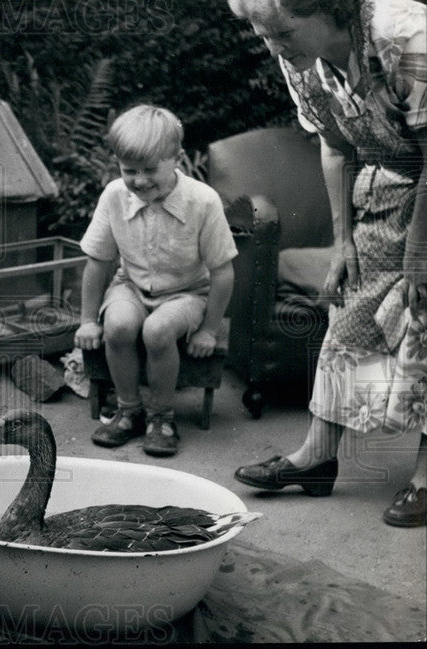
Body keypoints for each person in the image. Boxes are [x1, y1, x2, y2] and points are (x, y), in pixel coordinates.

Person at [228, 0, 427, 527]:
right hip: (391, 188)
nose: (272, 47)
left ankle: (426, 478)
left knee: (424, 316)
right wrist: (343, 243)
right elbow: (336, 146)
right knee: (353, 302)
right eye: (262, 35)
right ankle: (316, 457)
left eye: (281, 32)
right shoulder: (302, 61)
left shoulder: (401, 33)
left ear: (329, 8)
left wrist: (419, 256)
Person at [74, 105, 237, 457]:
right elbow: (98, 261)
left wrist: (208, 329)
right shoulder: (115, 195)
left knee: (158, 331)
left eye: (150, 170)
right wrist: (88, 320)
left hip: (186, 292)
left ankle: (162, 417)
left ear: (176, 158)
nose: (140, 180)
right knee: (117, 325)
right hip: (130, 285)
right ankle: (128, 409)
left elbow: (222, 271)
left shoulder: (202, 201)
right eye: (129, 170)